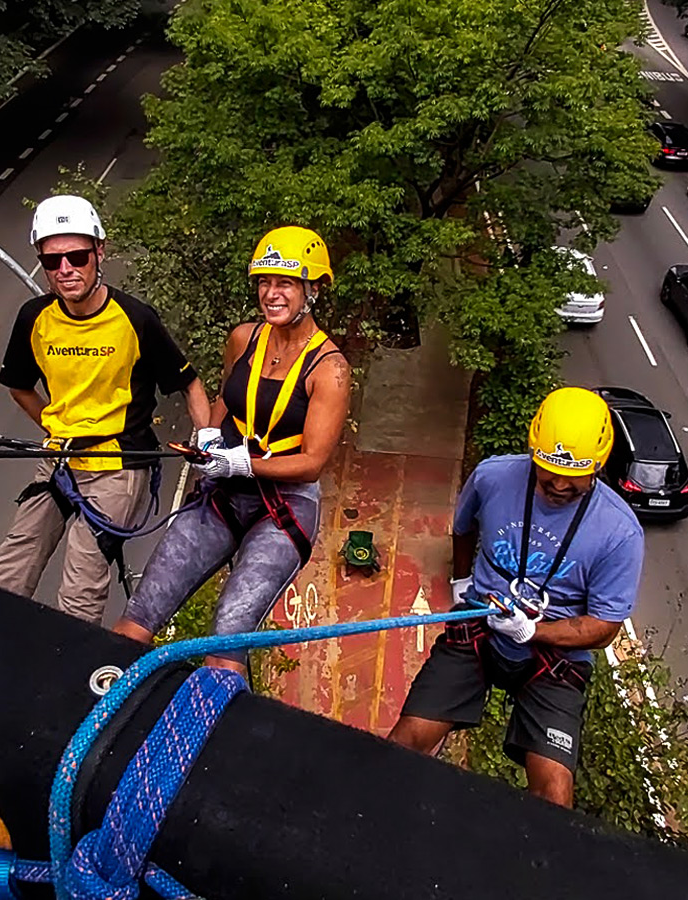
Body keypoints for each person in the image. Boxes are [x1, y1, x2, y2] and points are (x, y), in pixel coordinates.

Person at [388, 387, 645, 808]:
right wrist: (460, 584)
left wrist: (534, 631)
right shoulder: (494, 478)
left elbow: (603, 628)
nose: (559, 484)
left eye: (575, 475)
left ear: (598, 466)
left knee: (554, 793)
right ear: (533, 452)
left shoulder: (619, 532)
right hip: (481, 623)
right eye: (548, 470)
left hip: (555, 653)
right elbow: (464, 527)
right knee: (407, 739)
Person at [114, 226, 351, 675]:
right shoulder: (245, 338)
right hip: (224, 492)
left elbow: (313, 463)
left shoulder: (331, 370)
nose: (271, 294)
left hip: (283, 508)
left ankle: (217, 730)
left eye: (285, 283)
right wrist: (207, 438)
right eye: (264, 282)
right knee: (138, 617)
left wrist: (243, 462)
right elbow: (229, 401)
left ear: (313, 289)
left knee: (226, 645)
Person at [0, 195, 211, 624]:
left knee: (80, 587)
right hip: (61, 457)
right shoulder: (34, 318)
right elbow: (19, 386)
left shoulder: (135, 318)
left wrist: (206, 445)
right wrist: (57, 427)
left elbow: (189, 383)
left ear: (99, 253)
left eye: (77, 256)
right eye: (53, 261)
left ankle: (70, 677)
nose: (66, 269)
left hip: (120, 462)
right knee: (8, 575)